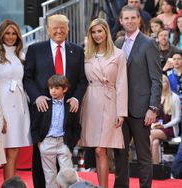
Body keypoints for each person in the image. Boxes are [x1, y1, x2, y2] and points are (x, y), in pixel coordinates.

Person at [23, 14, 87, 188]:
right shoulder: (35, 49)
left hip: (67, 115)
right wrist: (36, 97)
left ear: (67, 29)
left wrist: (75, 98)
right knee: (43, 165)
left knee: (66, 162)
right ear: (48, 30)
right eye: (55, 27)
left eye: (62, 27)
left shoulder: (77, 51)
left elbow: (82, 80)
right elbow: (27, 78)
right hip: (43, 115)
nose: (59, 31)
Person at [114, 5, 162, 188]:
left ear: (139, 19)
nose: (130, 21)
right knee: (120, 154)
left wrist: (153, 108)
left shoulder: (149, 43)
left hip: (141, 109)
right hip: (120, 109)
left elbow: (156, 80)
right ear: (120, 21)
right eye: (126, 18)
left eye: (133, 18)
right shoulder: (117, 44)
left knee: (143, 155)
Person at [78, 18, 127, 188]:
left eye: (100, 31)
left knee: (101, 149)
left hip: (110, 102)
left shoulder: (118, 54)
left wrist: (121, 111)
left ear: (106, 32)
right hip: (90, 101)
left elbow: (122, 84)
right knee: (96, 149)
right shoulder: (86, 54)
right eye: (93, 32)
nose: (97, 35)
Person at [0, 19, 32, 180]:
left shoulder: (21, 55)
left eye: (14, 33)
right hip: (3, 104)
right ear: (1, 34)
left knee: (14, 150)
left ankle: (11, 185)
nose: (11, 37)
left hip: (19, 105)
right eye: (7, 33)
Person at [31, 74, 81, 187]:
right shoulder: (44, 105)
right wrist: (40, 143)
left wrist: (71, 144)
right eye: (51, 88)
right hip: (47, 143)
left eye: (57, 88)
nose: (53, 91)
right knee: (50, 176)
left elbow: (76, 127)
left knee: (68, 175)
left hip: (64, 143)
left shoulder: (70, 106)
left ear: (65, 89)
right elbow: (35, 126)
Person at [150, 75, 180, 164]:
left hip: (169, 128)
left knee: (150, 135)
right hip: (157, 127)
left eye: (163, 82)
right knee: (155, 143)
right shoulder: (156, 97)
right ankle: (155, 168)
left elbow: (177, 118)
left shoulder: (174, 97)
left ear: (167, 83)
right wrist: (153, 125)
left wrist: (164, 125)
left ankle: (145, 164)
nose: (162, 84)